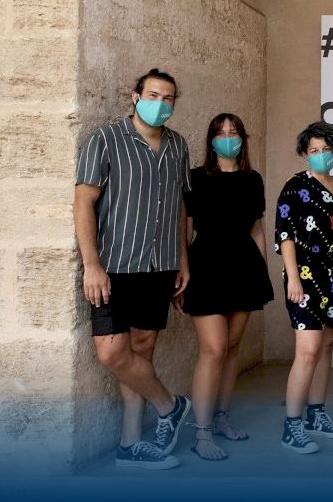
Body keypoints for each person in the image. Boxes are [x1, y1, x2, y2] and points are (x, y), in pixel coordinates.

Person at [73, 68, 192, 469]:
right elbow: (83, 202)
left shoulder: (177, 145)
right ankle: (170, 406)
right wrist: (92, 264)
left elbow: (179, 206)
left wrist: (182, 260)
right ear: (135, 96)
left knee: (143, 350)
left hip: (159, 267)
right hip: (113, 266)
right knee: (112, 352)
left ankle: (130, 443)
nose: (161, 103)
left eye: (168, 98)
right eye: (153, 95)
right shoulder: (105, 140)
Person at [183, 113, 274, 460]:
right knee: (214, 348)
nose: (227, 137)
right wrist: (182, 271)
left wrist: (263, 272)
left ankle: (221, 417)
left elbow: (256, 229)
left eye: (233, 132)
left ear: (242, 138)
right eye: (220, 132)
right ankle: (201, 433)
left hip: (244, 268)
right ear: (210, 140)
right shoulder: (195, 178)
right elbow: (184, 230)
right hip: (205, 267)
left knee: (233, 346)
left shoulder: (253, 179)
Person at [274, 121, 333, 453]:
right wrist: (293, 278)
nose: (321, 155)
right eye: (314, 151)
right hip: (305, 278)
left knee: (325, 346)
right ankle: (291, 424)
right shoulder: (294, 187)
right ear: (305, 155)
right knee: (307, 350)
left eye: (326, 150)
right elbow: (285, 235)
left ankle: (316, 414)